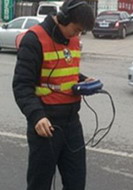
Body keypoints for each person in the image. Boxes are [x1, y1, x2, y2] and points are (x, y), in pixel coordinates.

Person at [12, 0, 94, 189]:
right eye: (76, 29)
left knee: (76, 182)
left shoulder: (73, 39)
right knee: (39, 184)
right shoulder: (34, 39)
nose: (77, 35)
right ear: (64, 18)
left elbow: (67, 72)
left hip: (72, 123)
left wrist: (83, 81)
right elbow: (21, 85)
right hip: (45, 125)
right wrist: (36, 116)